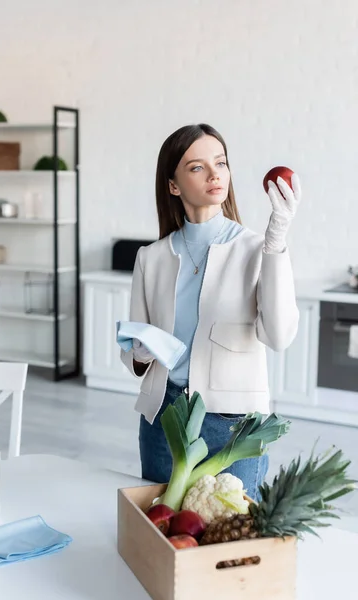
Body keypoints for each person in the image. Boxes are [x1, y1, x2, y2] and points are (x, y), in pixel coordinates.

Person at [120, 123, 301, 501]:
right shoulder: (150, 258)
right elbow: (135, 351)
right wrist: (140, 351)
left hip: (231, 425)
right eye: (197, 167)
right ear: (173, 185)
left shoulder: (257, 248)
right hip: (162, 417)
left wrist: (277, 239)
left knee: (227, 542)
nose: (215, 174)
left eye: (220, 162)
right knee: (162, 532)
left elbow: (279, 335)